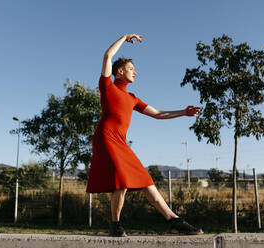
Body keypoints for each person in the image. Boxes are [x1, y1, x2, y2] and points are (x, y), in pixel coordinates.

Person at [86, 34, 203, 237]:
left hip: (121, 142)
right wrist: (124, 37)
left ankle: (174, 221)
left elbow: (157, 114)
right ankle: (115, 225)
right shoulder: (108, 87)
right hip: (106, 138)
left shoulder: (132, 98)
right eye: (132, 69)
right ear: (120, 72)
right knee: (121, 180)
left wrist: (183, 112)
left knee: (146, 181)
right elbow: (107, 56)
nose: (135, 73)